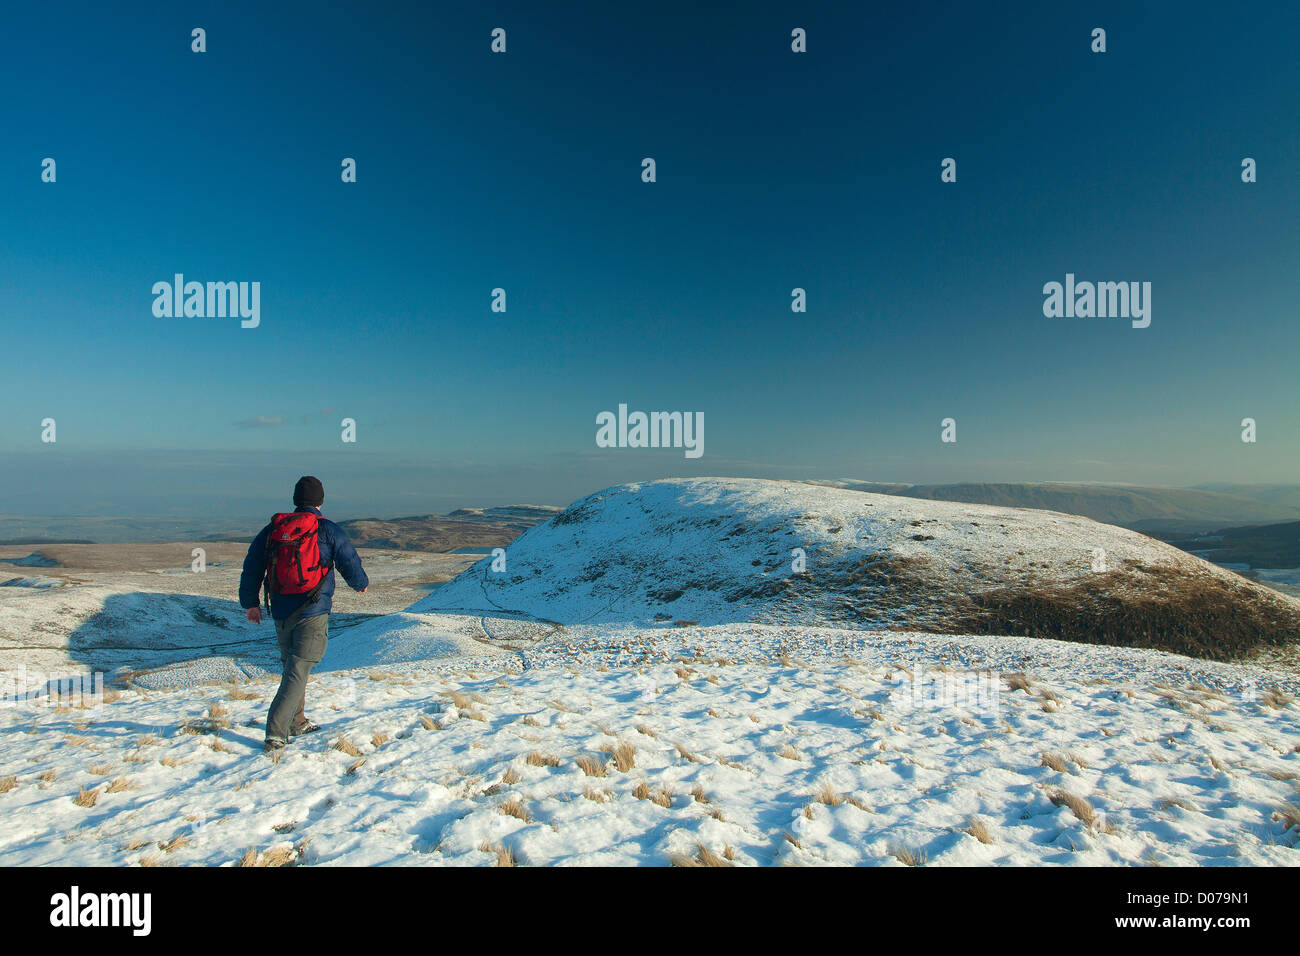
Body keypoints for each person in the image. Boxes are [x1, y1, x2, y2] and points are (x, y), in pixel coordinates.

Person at [239, 476, 369, 753]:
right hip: (313, 609)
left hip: (281, 609)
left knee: (292, 667)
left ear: (296, 500)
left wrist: (250, 603)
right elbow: (349, 559)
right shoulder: (327, 529)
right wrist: (360, 584)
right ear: (321, 500)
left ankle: (297, 722)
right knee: (299, 669)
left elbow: (252, 565)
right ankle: (276, 732)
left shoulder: (274, 529)